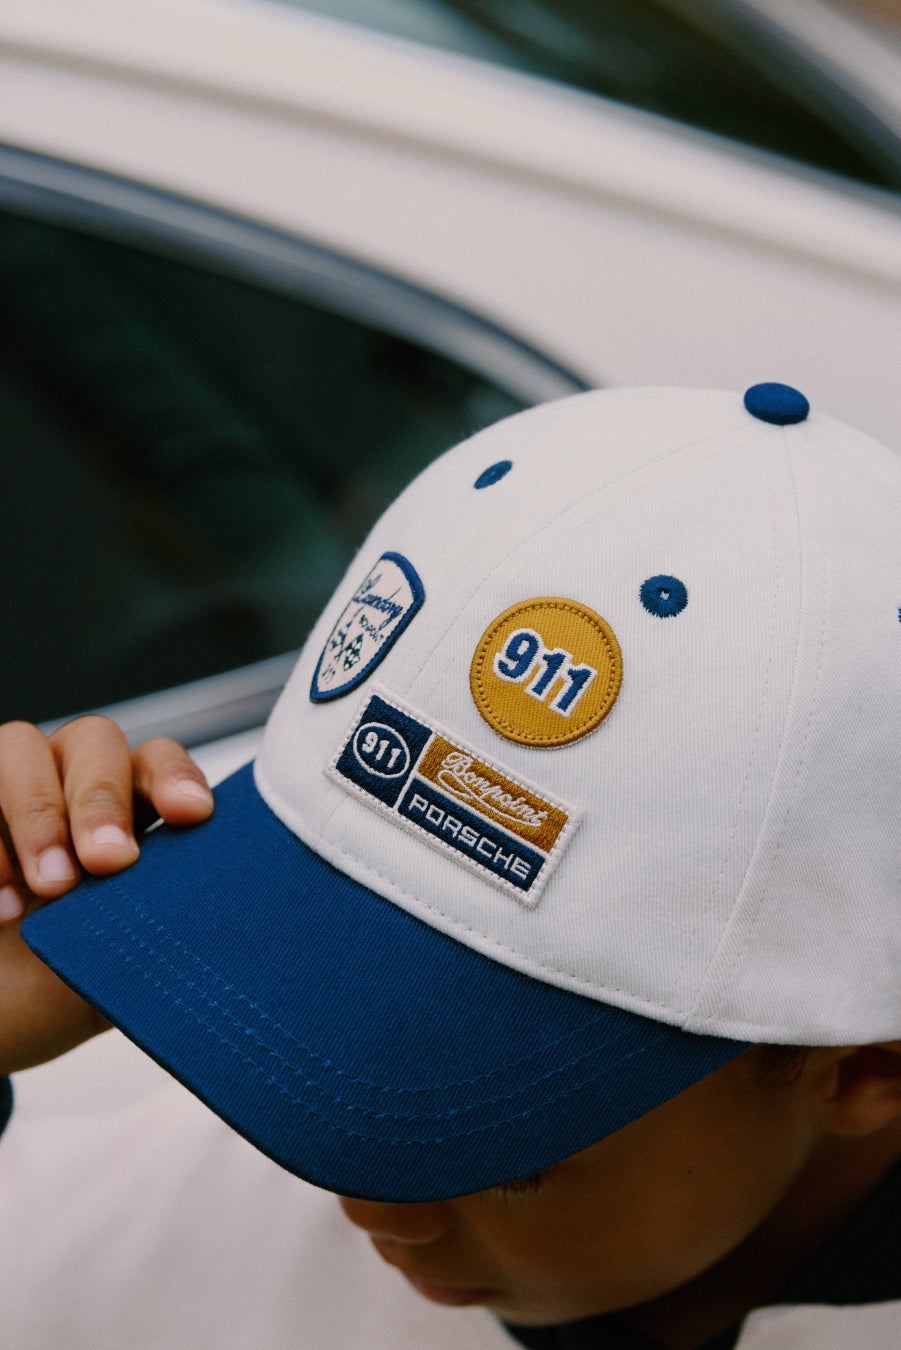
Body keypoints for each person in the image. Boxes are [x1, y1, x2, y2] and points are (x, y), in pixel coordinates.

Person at [0, 383, 899, 1350]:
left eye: (505, 1161)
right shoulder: (144, 1157)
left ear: (864, 1069)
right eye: (299, 994)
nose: (368, 1207)